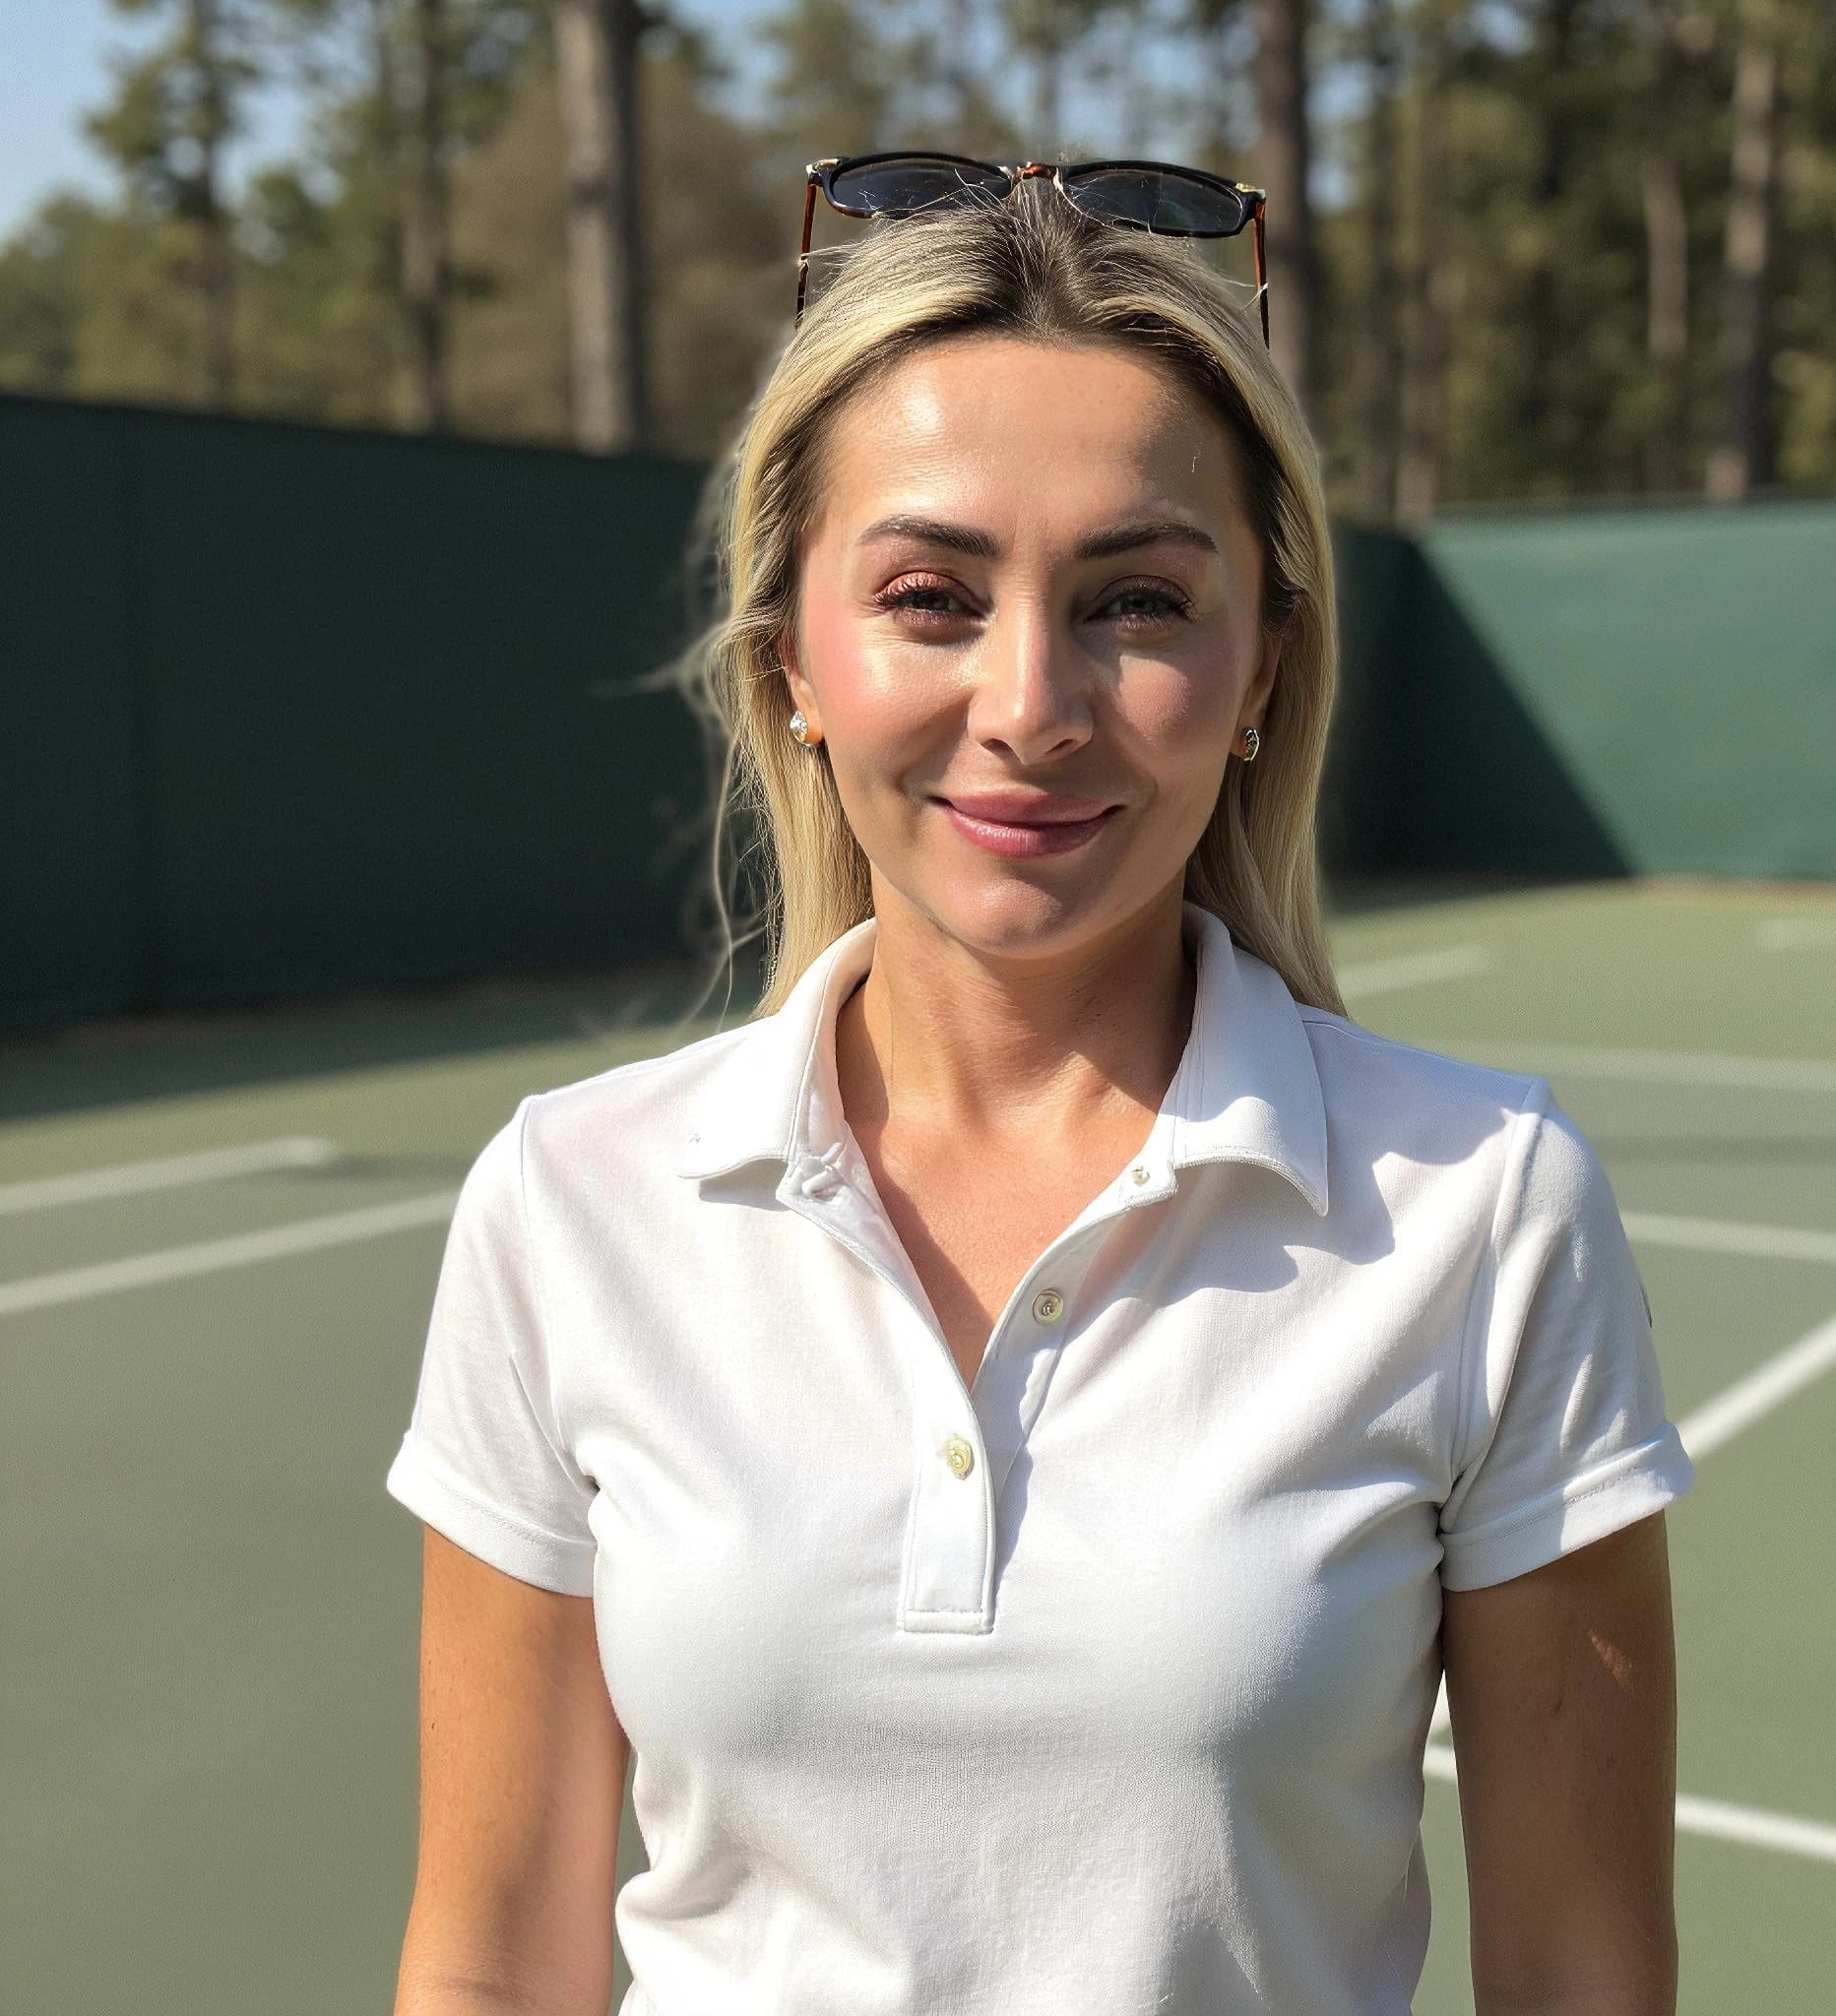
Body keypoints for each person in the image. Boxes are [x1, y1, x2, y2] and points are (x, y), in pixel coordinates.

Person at [385, 170, 1695, 2016]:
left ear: (1263, 666)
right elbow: (489, 1968)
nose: (1031, 705)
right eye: (928, 596)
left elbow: (1580, 1978)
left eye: (1137, 601)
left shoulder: (1488, 1204)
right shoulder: (568, 1199)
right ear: (794, 663)